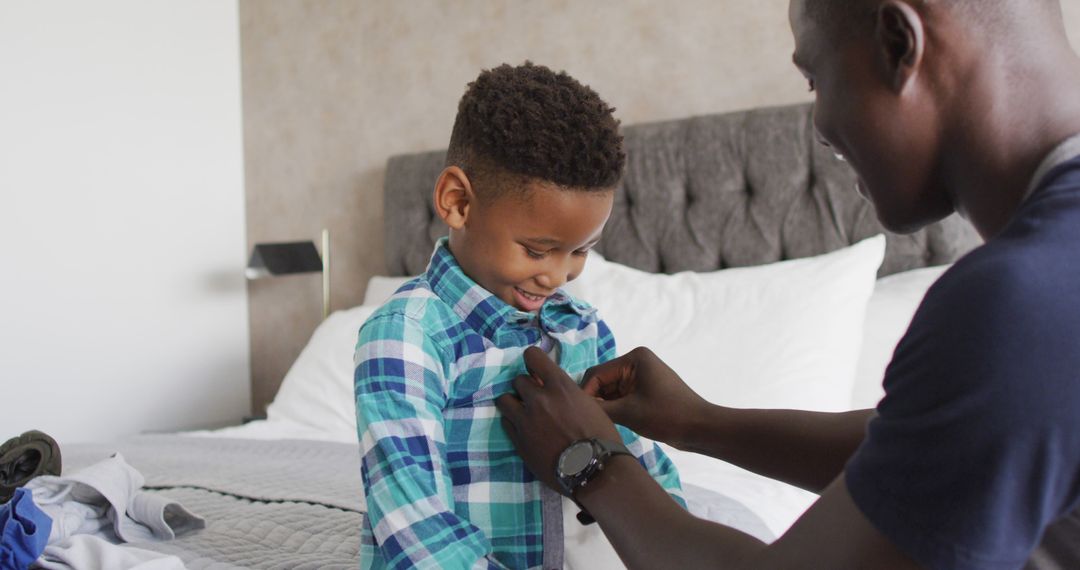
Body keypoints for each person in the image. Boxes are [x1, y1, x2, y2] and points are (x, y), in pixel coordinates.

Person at [495, 0, 1080, 568]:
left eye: (815, 80)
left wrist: (592, 463)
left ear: (900, 44)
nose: (821, 130)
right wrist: (697, 422)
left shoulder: (1021, 302)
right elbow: (935, 455)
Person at [353, 62, 684, 570]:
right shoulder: (407, 336)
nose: (557, 276)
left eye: (580, 251)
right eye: (536, 250)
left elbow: (639, 461)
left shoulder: (581, 328)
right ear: (458, 202)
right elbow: (414, 524)